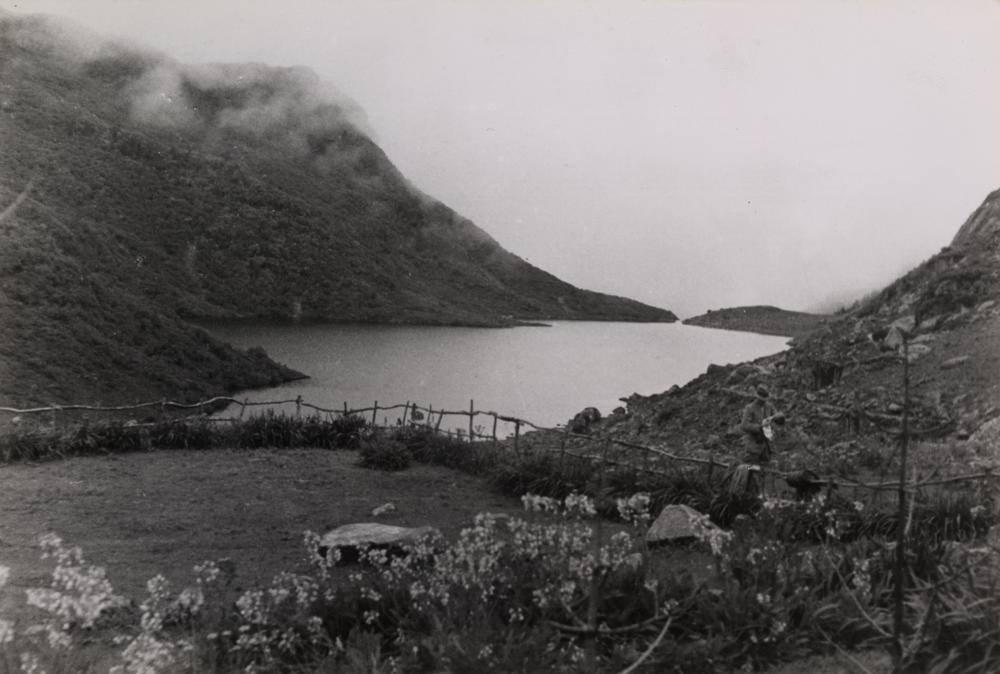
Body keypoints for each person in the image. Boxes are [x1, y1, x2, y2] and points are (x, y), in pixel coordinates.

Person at [740, 385, 785, 465]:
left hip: (766, 445)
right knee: (750, 467)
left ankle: (761, 474)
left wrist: (777, 417)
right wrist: (759, 427)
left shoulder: (769, 406)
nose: (763, 402)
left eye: (764, 400)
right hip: (754, 444)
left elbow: (777, 415)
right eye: (761, 400)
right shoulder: (750, 408)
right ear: (757, 397)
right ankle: (747, 473)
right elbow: (744, 425)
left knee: (765, 468)